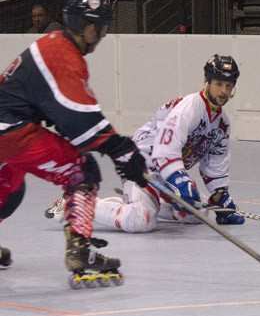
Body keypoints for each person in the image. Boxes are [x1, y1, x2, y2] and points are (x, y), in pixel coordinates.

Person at [0, 0, 148, 284]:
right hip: (12, 132)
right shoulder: (63, 54)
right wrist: (122, 150)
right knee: (82, 170)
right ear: (85, 26)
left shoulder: (52, 44)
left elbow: (58, 111)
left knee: (10, 187)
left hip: (7, 129)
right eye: (100, 28)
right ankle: (80, 250)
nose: (102, 35)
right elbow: (80, 117)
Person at [45, 55, 246, 232]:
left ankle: (146, 200)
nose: (223, 91)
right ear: (207, 82)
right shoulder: (190, 108)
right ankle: (76, 202)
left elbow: (215, 165)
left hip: (165, 172)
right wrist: (180, 182)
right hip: (142, 163)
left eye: (228, 86)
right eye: (219, 84)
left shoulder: (222, 124)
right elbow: (165, 150)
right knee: (141, 220)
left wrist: (221, 196)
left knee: (196, 215)